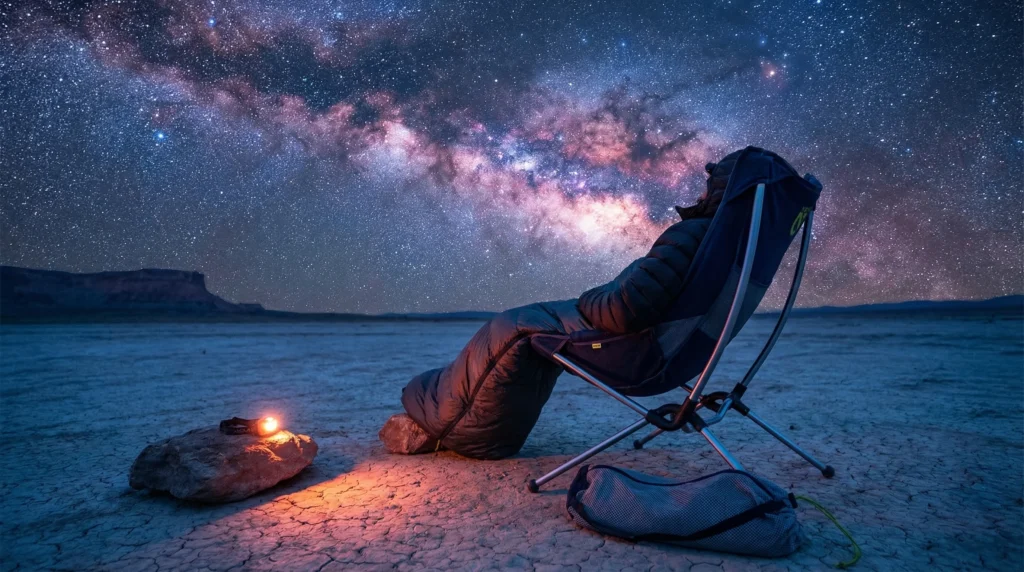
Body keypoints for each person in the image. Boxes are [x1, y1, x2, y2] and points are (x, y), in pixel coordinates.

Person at [379, 150, 744, 460]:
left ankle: (462, 429)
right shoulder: (735, 247)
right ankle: (472, 419)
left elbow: (624, 309)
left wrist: (590, 297)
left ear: (723, 192)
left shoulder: (693, 236)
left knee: (514, 327)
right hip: (679, 354)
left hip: (637, 355)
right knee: (529, 328)